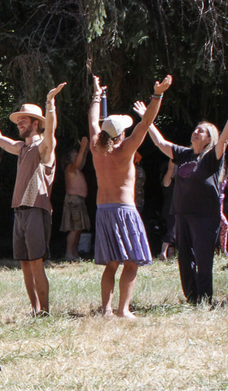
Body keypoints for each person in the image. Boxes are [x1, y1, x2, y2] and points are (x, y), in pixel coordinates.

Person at [138, 96, 228, 304]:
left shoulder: (211, 157)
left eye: (202, 131)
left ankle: (205, 298)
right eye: (196, 129)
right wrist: (147, 120)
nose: (196, 131)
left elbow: (224, 139)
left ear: (209, 138)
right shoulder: (183, 154)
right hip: (182, 214)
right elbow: (160, 143)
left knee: (203, 260)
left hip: (205, 216)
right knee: (184, 259)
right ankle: (192, 298)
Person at [0, 83, 66, 317]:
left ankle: (45, 313)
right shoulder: (21, 148)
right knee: (25, 264)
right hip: (20, 211)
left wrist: (50, 104)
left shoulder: (44, 149)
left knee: (36, 262)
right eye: (18, 121)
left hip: (37, 209)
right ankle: (35, 310)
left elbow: (51, 132)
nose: (19, 124)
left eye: (24, 120)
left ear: (36, 123)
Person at [88, 75, 171, 319]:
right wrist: (158, 95)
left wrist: (96, 94)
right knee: (132, 261)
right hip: (124, 210)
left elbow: (93, 119)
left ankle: (106, 310)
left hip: (103, 210)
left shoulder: (95, 146)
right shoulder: (125, 151)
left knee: (111, 263)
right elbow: (146, 123)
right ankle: (123, 310)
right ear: (122, 134)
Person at [61, 137, 91, 260]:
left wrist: (86, 148)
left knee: (79, 229)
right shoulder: (70, 168)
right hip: (73, 201)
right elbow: (78, 162)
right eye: (75, 154)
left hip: (79, 201)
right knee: (74, 229)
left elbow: (81, 160)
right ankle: (69, 253)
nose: (77, 155)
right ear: (69, 157)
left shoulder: (77, 169)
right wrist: (82, 148)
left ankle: (75, 254)